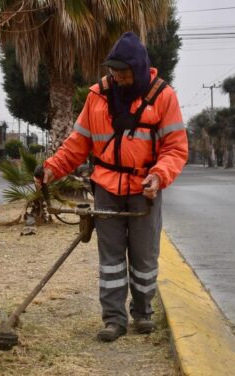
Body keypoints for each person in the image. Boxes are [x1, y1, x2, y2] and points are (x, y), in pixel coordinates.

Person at [35, 32, 188, 342]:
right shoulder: (98, 96)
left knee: (144, 256)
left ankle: (143, 312)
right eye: (113, 70)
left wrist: (158, 176)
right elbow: (78, 143)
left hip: (145, 189)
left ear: (139, 67)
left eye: (123, 71)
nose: (117, 76)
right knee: (111, 258)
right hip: (107, 186)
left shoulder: (163, 97)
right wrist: (52, 169)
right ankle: (113, 319)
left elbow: (175, 148)